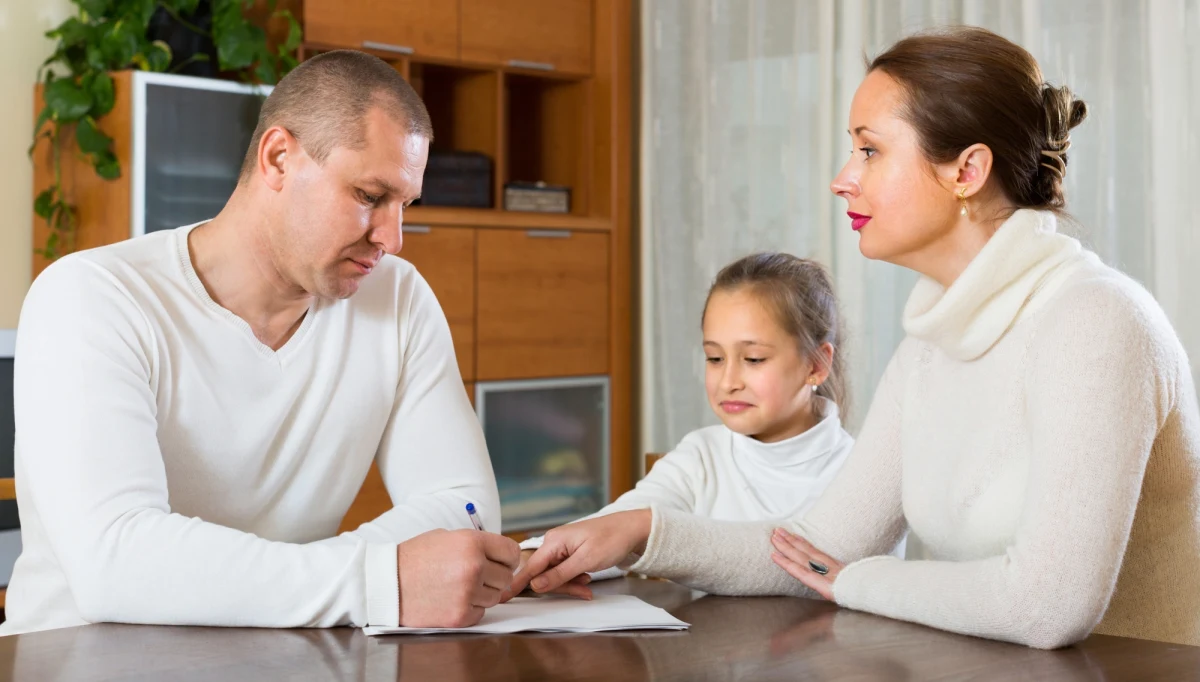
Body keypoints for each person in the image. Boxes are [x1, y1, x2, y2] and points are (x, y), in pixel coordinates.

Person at [513, 26, 1200, 649]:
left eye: (869, 150)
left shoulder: (1096, 320)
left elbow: (1048, 605)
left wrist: (854, 582)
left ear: (967, 171)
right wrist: (639, 534)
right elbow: (814, 549)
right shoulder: (930, 348)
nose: (843, 180)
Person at [3, 50, 520, 635]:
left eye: (405, 205)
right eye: (370, 197)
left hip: (288, 653)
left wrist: (335, 581)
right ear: (278, 157)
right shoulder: (91, 297)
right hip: (82, 663)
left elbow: (466, 511)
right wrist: (379, 580)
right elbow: (115, 562)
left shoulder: (396, 298)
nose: (392, 239)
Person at [505, 253, 904, 599]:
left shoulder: (863, 474)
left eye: (754, 359)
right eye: (714, 359)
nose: (728, 380)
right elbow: (619, 525)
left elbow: (822, 571)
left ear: (816, 364)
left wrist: (643, 531)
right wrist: (531, 559)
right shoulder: (700, 455)